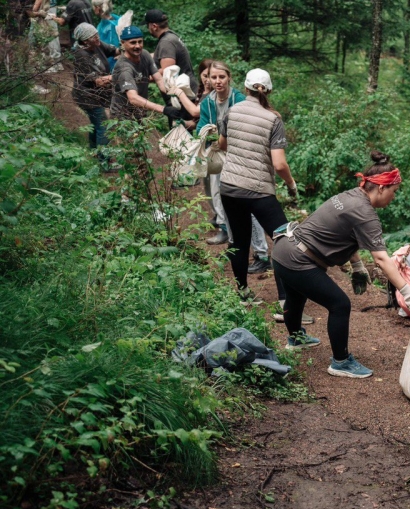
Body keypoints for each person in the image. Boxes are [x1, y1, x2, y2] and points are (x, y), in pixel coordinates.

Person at [271, 151, 410, 378]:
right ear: (381, 188)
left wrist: (357, 266)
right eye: (394, 191)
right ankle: (340, 362)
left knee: (296, 296)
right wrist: (408, 292)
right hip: (300, 259)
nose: (394, 197)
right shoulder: (366, 214)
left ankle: (296, 339)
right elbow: (381, 258)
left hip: (284, 251)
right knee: (340, 304)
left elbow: (346, 233)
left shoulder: (351, 195)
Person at [218, 67, 295, 309]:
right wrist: (291, 184)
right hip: (259, 190)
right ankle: (285, 301)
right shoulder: (273, 119)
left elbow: (222, 145)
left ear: (246, 87)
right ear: (268, 89)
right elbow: (280, 164)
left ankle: (242, 294)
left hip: (229, 186)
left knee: (239, 240)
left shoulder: (231, 112)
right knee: (282, 239)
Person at [195, 61, 275, 278]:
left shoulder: (238, 100)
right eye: (213, 77)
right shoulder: (207, 103)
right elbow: (200, 127)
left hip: (240, 159)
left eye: (222, 77)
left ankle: (261, 254)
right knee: (222, 200)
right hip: (219, 156)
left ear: (229, 78)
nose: (217, 81)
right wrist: (207, 133)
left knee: (248, 207)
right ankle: (235, 248)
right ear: (208, 79)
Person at [109, 25, 180, 122]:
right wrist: (163, 109)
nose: (138, 46)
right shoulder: (124, 68)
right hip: (123, 118)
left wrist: (177, 95)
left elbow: (159, 80)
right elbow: (133, 98)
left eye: (140, 41)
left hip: (139, 113)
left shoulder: (145, 55)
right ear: (123, 43)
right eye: (133, 43)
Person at [71, 22, 116, 165]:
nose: (98, 38)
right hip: (87, 95)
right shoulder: (82, 55)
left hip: (97, 94)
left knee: (96, 124)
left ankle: (94, 152)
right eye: (94, 37)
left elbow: (115, 51)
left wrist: (126, 53)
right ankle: (104, 162)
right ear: (85, 41)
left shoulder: (96, 43)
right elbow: (98, 81)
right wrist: (120, 75)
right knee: (103, 126)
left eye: (97, 34)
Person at [92, 0, 120, 69]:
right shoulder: (116, 19)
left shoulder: (109, 27)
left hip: (112, 66)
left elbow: (111, 49)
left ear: (97, 8)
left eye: (93, 6)